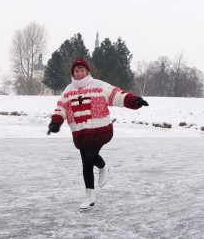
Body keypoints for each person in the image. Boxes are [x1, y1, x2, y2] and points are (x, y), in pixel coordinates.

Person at [47, 57, 149, 210]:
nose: (79, 73)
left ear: (87, 71)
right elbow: (60, 109)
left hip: (100, 130)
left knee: (90, 156)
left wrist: (134, 100)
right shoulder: (68, 91)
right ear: (73, 73)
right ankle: (89, 197)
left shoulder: (98, 85)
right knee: (86, 165)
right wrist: (55, 122)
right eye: (76, 71)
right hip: (81, 135)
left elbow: (117, 95)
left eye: (82, 70)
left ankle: (103, 166)